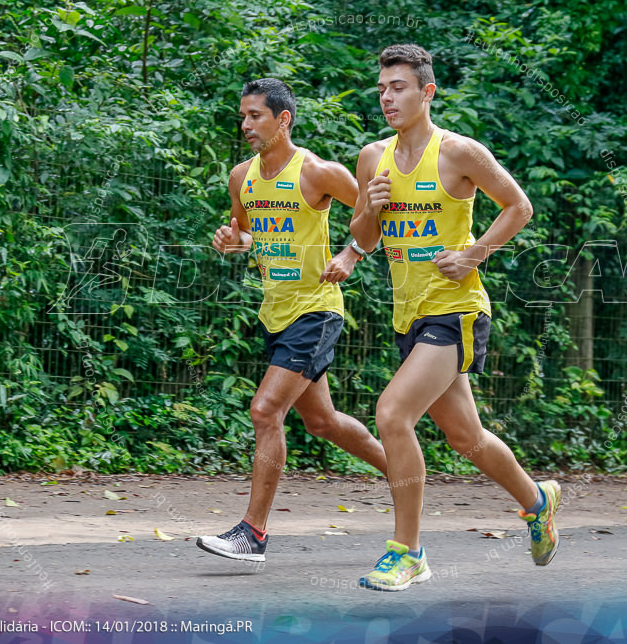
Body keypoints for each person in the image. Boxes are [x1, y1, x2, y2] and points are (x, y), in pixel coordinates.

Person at [349, 44, 560, 591]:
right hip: (407, 314)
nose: (388, 98)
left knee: (392, 413)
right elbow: (364, 240)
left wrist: (474, 252)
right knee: (466, 437)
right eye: (382, 89)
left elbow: (519, 207)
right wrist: (369, 207)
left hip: (456, 308)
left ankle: (408, 552)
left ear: (427, 91)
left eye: (398, 87)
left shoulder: (459, 153)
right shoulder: (372, 157)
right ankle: (537, 501)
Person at [198, 78, 387, 563]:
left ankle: (253, 533)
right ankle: (403, 469)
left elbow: (378, 215)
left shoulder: (319, 173)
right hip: (275, 311)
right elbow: (248, 237)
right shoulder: (242, 177)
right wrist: (231, 241)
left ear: (283, 120)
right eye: (242, 116)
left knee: (265, 411)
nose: (245, 125)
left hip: (317, 310)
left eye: (255, 116)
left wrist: (351, 253)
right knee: (321, 422)